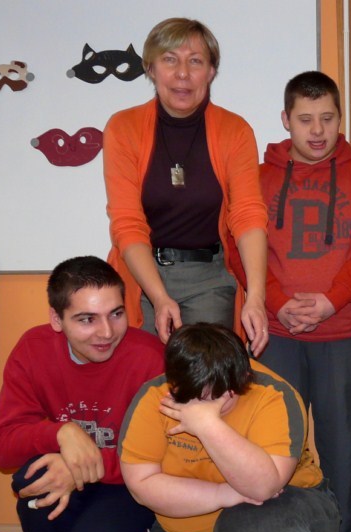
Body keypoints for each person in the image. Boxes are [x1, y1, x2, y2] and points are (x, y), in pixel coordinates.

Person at [256, 71, 351, 532]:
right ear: (286, 120)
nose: (317, 131)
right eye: (305, 119)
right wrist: (276, 302)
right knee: (275, 445)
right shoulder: (256, 178)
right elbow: (238, 247)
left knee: (339, 445)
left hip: (342, 334)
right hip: (274, 334)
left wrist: (332, 302)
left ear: (340, 119)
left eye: (328, 118)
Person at [119, 323, 340, 532]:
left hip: (279, 508)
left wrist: (208, 426)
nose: (198, 406)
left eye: (214, 397)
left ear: (242, 378)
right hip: (188, 529)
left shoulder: (273, 395)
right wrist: (220, 494)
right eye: (189, 396)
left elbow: (263, 488)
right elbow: (142, 485)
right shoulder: (154, 396)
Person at [103, 17, 268, 352]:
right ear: (151, 69)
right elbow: (127, 224)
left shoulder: (235, 131)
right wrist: (159, 297)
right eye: (169, 60)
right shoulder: (123, 128)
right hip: (140, 275)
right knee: (143, 377)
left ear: (211, 71)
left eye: (195, 61)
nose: (182, 74)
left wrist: (256, 297)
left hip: (208, 278)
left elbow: (248, 216)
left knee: (205, 374)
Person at [0, 256, 165, 532]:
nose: (107, 332)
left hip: (130, 482)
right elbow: (2, 448)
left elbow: (169, 456)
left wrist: (83, 468)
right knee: (32, 480)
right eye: (87, 319)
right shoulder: (33, 348)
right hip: (82, 470)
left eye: (116, 314)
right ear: (56, 320)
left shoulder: (151, 359)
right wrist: (61, 431)